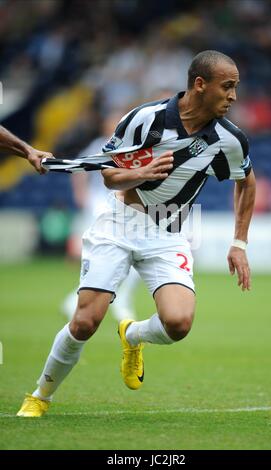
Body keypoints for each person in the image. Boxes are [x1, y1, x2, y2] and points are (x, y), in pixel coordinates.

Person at [17, 50, 256, 417]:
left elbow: (246, 183)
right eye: (227, 87)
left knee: (178, 323)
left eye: (236, 88)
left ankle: (132, 336)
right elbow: (110, 174)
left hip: (170, 232)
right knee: (84, 322)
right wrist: (144, 172)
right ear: (199, 84)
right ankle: (40, 395)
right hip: (121, 223)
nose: (233, 96)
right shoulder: (147, 119)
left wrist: (239, 243)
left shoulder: (229, 138)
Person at [62, 112, 140, 322]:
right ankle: (80, 300)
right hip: (101, 203)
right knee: (107, 255)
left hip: (125, 204)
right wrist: (81, 194)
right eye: (110, 122)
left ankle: (115, 299)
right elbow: (79, 167)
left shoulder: (132, 145)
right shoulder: (99, 145)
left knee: (132, 254)